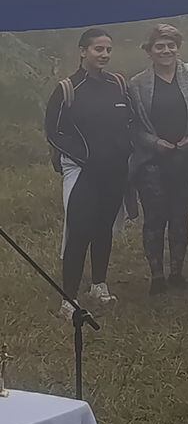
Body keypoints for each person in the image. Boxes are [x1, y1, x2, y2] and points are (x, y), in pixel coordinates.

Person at [46, 28, 138, 315]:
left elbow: (131, 121)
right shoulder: (67, 88)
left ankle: (99, 285)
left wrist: (126, 148)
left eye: (108, 50)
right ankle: (68, 300)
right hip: (83, 173)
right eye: (98, 49)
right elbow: (53, 132)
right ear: (83, 51)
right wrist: (84, 156)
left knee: (104, 229)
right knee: (79, 232)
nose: (105, 55)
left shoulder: (118, 84)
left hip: (114, 171)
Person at [128, 24, 188, 293]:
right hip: (152, 161)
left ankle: (176, 272)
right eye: (159, 46)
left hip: (186, 157)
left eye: (171, 45)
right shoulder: (137, 84)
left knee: (180, 216)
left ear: (178, 47)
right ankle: (157, 276)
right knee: (154, 217)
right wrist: (154, 142)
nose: (166, 50)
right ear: (149, 51)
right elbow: (132, 125)